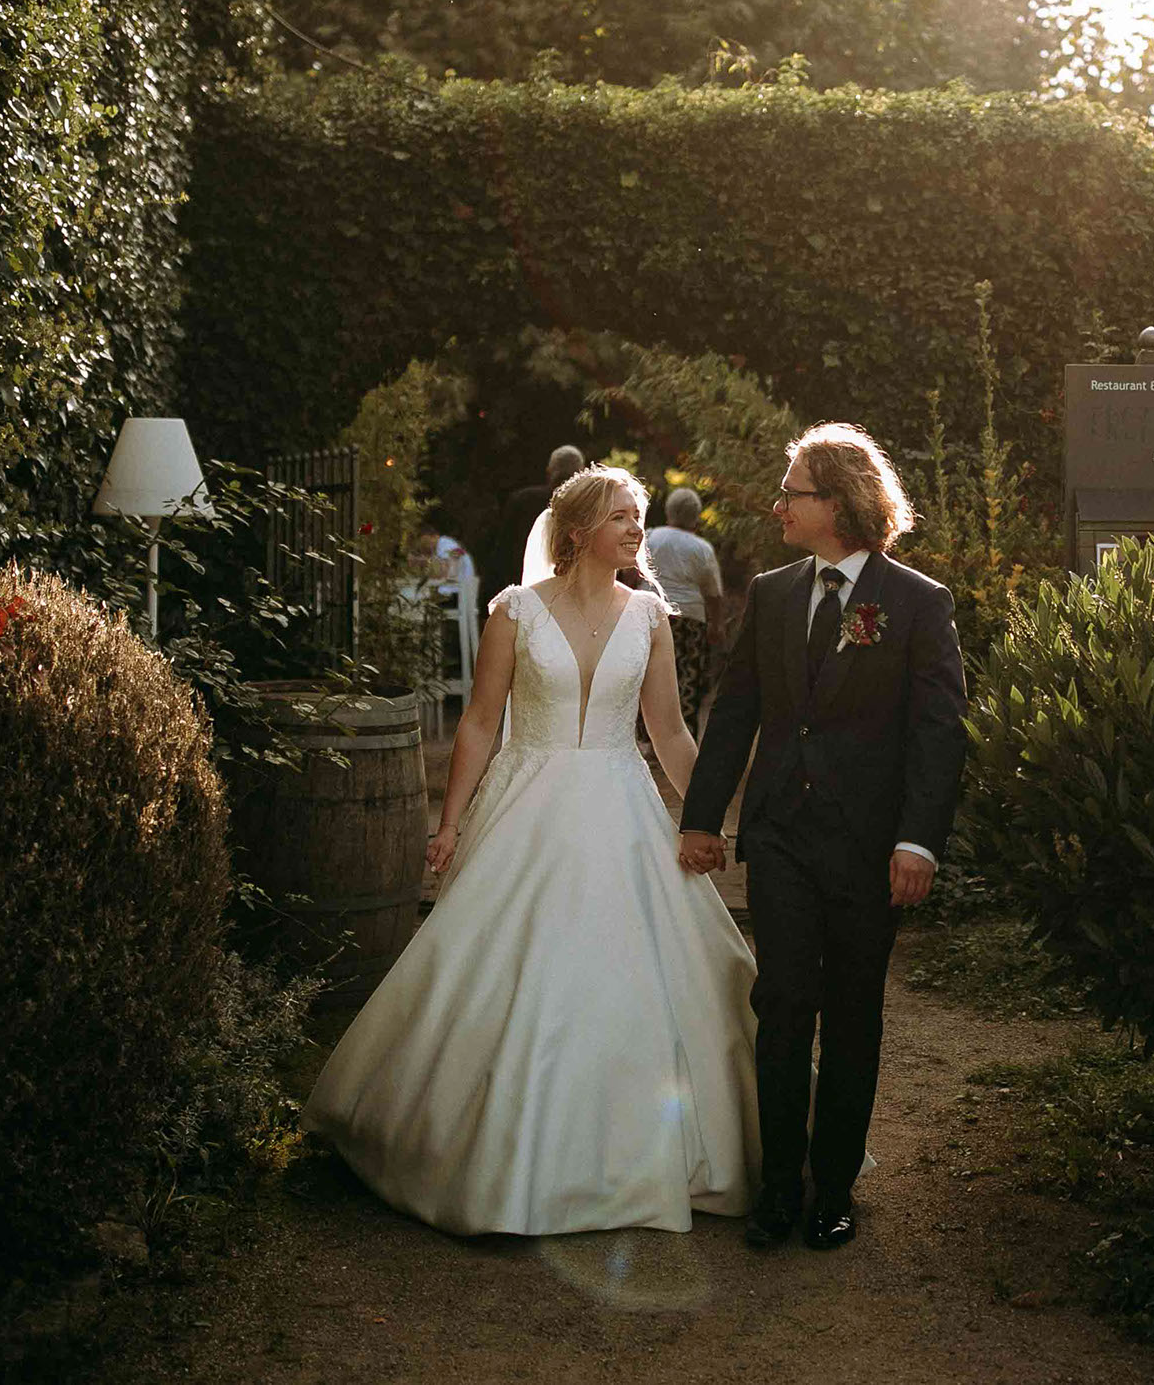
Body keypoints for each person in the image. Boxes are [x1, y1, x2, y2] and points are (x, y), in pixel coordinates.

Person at [304, 466, 761, 1234]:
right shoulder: (514, 612)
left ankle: (635, 1155)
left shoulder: (650, 617)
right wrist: (448, 824)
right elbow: (480, 723)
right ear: (579, 531)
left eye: (638, 515)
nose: (636, 529)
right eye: (621, 516)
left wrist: (706, 818)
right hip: (527, 807)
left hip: (621, 807)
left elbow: (670, 731)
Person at [679, 423, 967, 1253]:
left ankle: (833, 1190)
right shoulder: (771, 594)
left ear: (836, 503)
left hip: (869, 848)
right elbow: (735, 711)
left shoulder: (918, 602)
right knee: (781, 1005)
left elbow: (939, 733)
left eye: (792, 493)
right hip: (779, 837)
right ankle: (778, 1188)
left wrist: (918, 842)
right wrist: (702, 817)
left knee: (851, 1013)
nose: (778, 506)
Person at [644, 486, 726, 731]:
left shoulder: (649, 537)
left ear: (668, 511)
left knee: (648, 676)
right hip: (689, 622)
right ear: (696, 516)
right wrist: (717, 625)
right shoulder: (701, 548)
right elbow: (713, 593)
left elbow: (630, 575)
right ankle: (682, 733)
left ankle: (646, 734)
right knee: (686, 680)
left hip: (650, 616)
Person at [497, 444, 584, 595]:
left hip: (523, 587)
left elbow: (504, 550)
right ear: (581, 471)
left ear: (549, 470)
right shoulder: (587, 506)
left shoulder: (522, 500)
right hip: (575, 589)